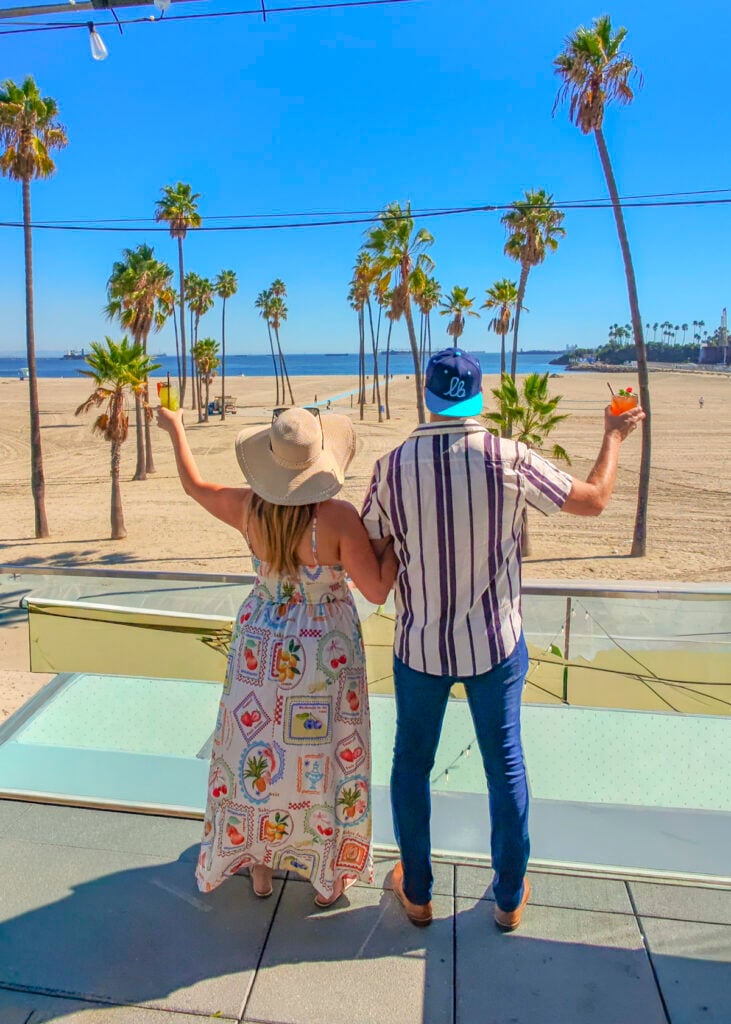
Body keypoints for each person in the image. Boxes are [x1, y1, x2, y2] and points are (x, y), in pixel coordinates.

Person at [362, 348, 644, 931]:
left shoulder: (391, 467)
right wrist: (613, 436)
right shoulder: (507, 457)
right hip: (495, 643)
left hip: (420, 646)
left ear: (429, 398)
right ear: (477, 396)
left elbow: (371, 548)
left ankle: (417, 893)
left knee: (410, 766)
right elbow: (593, 501)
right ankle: (509, 898)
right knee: (505, 768)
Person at [158, 404, 397, 906]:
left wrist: (175, 426)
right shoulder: (336, 517)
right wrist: (394, 541)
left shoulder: (249, 507)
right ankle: (326, 874)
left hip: (259, 647)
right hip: (324, 653)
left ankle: (260, 867)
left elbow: (194, 486)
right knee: (323, 755)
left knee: (257, 753)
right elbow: (376, 590)